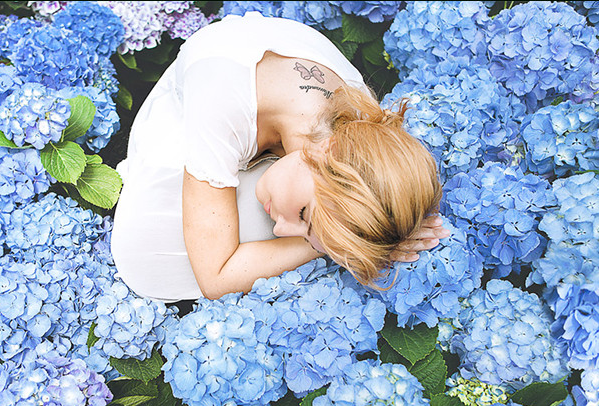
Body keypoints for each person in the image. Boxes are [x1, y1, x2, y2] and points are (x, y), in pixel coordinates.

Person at [111, 12, 450, 302]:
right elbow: (216, 278)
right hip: (180, 122)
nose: (283, 228)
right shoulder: (223, 105)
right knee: (148, 250)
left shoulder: (354, 121)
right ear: (327, 152)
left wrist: (367, 236)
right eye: (304, 215)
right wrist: (332, 249)